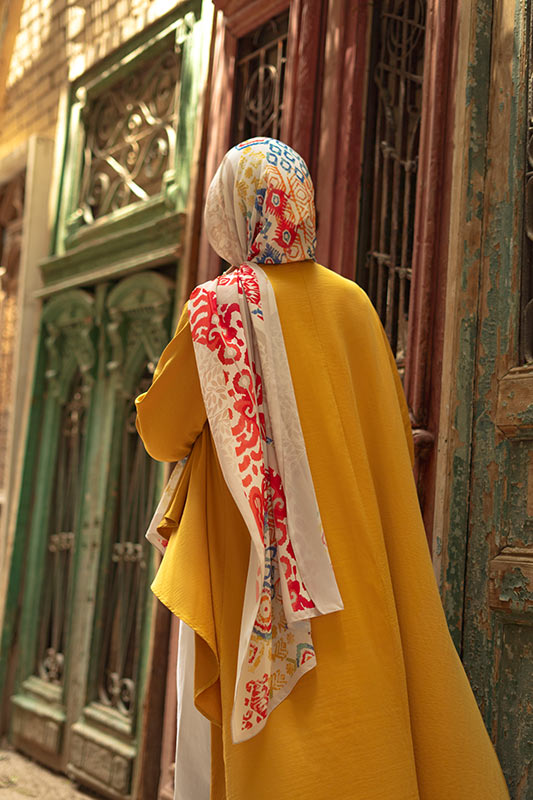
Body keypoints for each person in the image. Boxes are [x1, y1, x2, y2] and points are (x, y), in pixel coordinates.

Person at [135, 137, 510, 800]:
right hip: (363, 567)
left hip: (260, 577)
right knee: (364, 722)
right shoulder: (354, 305)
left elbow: (162, 434)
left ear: (235, 212)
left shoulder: (221, 310)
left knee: (283, 754)